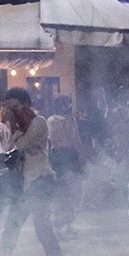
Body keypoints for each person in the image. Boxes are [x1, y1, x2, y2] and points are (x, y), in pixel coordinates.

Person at [0, 87, 65, 256]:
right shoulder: (16, 125)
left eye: (14, 106)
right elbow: (10, 148)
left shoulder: (38, 122)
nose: (11, 111)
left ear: (25, 104)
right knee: (12, 229)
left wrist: (11, 124)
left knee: (43, 231)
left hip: (41, 180)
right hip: (25, 183)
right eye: (8, 107)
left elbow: (22, 144)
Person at [47, 95, 83, 236]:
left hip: (69, 155)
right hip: (60, 156)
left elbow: (76, 139)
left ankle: (67, 224)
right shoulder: (52, 120)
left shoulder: (70, 119)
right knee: (62, 191)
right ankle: (59, 226)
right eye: (67, 104)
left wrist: (81, 154)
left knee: (73, 190)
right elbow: (53, 140)